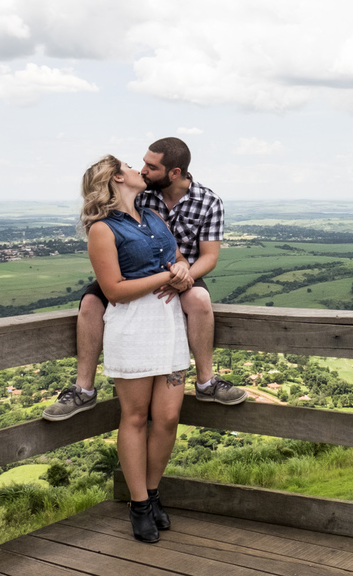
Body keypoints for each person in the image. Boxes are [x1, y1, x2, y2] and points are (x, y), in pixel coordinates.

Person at [44, 137, 244, 421]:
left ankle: (206, 382)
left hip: (181, 267)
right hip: (131, 271)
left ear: (174, 173)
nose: (144, 170)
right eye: (142, 164)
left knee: (199, 299)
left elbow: (209, 256)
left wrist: (183, 275)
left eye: (151, 166)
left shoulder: (208, 202)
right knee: (90, 302)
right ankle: (83, 389)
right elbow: (114, 211)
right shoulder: (143, 193)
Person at [78, 155, 188, 542]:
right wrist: (167, 275)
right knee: (136, 417)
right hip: (133, 330)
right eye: (129, 163)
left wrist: (183, 269)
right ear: (116, 178)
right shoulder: (102, 230)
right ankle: (139, 504)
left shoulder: (155, 219)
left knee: (169, 417)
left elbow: (177, 260)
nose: (139, 169)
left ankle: (153, 492)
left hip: (171, 327)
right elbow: (113, 291)